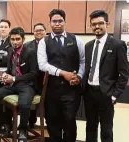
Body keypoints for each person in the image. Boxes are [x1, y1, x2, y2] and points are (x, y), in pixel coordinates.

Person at [37, 9, 85, 142]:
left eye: (60, 21)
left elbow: (83, 61)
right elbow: (42, 64)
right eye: (54, 21)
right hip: (51, 90)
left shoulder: (76, 40)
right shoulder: (43, 42)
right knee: (53, 123)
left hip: (71, 90)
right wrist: (63, 73)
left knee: (70, 122)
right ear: (50, 23)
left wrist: (79, 76)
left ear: (65, 22)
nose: (57, 24)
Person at [83, 10, 129, 142]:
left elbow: (124, 73)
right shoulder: (88, 46)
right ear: (90, 26)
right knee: (90, 127)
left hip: (107, 94)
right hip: (89, 93)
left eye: (100, 23)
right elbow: (87, 69)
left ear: (107, 24)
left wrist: (115, 95)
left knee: (106, 129)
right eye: (93, 24)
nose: (97, 27)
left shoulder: (117, 45)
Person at [0, 27, 38, 141]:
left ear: (23, 39)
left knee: (24, 104)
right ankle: (5, 123)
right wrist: (5, 75)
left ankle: (23, 128)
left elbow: (34, 74)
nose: (14, 42)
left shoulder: (31, 52)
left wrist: (13, 78)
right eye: (12, 39)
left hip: (27, 84)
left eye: (17, 39)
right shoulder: (9, 51)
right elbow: (10, 69)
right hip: (12, 85)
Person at [24, 22, 46, 129]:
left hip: (47, 79)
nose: (39, 32)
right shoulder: (27, 45)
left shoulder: (49, 44)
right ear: (33, 32)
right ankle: (30, 122)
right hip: (31, 80)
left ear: (45, 32)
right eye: (36, 30)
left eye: (41, 30)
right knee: (30, 101)